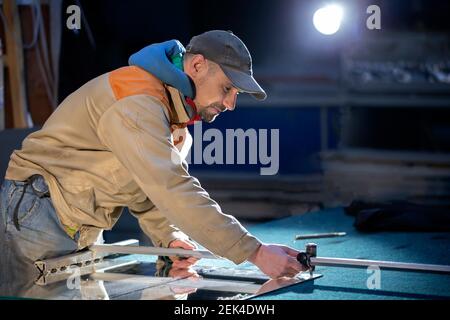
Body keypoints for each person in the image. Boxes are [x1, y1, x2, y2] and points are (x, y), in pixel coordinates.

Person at [0, 30, 305, 295]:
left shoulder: (178, 126)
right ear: (198, 65)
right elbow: (172, 188)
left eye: (236, 95)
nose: (230, 104)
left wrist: (169, 238)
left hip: (80, 223)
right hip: (39, 211)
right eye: (227, 89)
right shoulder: (136, 99)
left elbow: (149, 192)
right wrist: (255, 252)